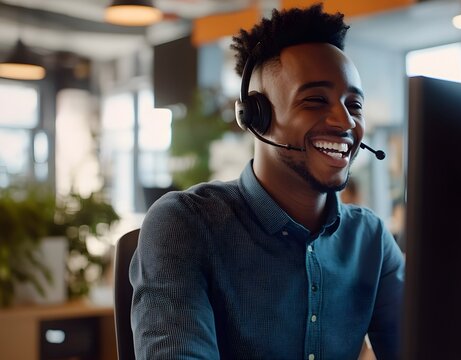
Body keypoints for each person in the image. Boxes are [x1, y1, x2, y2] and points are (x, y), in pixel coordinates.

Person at [130, 4, 405, 359]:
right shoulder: (186, 223)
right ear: (256, 117)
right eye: (315, 100)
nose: (345, 122)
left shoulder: (370, 239)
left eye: (354, 105)